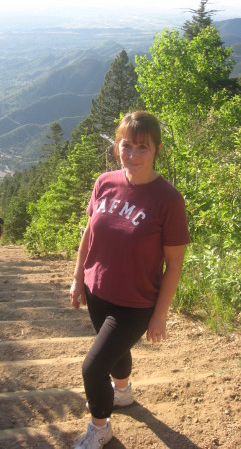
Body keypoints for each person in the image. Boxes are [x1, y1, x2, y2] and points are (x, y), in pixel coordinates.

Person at [70, 110, 190, 449]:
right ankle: (122, 392)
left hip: (136, 303)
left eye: (142, 148)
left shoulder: (168, 199)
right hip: (98, 290)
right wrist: (79, 278)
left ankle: (100, 427)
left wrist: (160, 313)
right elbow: (88, 232)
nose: (133, 155)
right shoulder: (104, 183)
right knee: (115, 352)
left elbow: (175, 265)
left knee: (93, 369)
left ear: (157, 150)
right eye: (126, 146)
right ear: (116, 147)